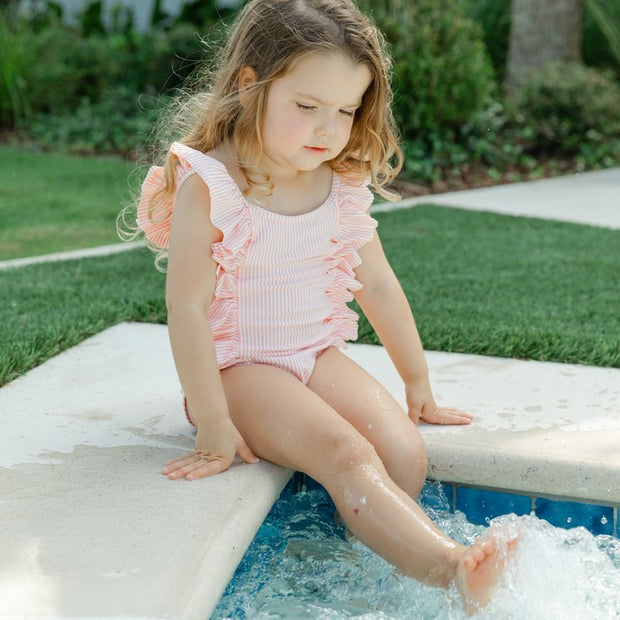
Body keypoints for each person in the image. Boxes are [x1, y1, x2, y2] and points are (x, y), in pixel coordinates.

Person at [130, 0, 515, 612]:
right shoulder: (212, 184)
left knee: (402, 452)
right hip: (236, 371)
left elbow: (379, 284)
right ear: (250, 85)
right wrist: (212, 423)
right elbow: (188, 311)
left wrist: (418, 384)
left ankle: (343, 555)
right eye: (307, 107)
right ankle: (451, 570)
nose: (327, 129)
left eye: (345, 110)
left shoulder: (339, 184)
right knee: (348, 453)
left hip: (310, 354)